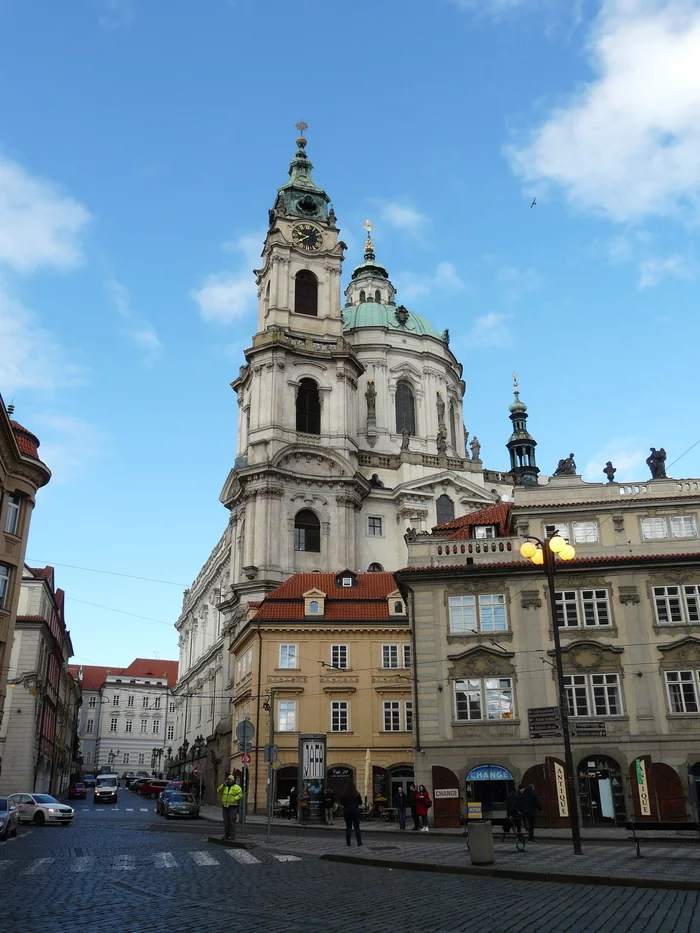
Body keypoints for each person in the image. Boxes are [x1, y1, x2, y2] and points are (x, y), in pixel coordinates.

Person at [216, 774, 243, 841]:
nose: (228, 781)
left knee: (232, 821)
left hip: (233, 807)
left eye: (230, 779)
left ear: (233, 780)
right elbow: (219, 790)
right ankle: (226, 835)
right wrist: (223, 784)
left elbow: (240, 794)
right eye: (228, 779)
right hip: (225, 807)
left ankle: (232, 835)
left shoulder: (237, 787)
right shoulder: (225, 786)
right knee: (226, 821)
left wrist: (235, 798)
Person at [339, 781, 363, 847]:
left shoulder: (344, 794)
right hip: (355, 811)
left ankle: (348, 842)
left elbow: (341, 803)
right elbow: (360, 802)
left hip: (347, 811)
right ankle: (359, 842)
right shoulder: (357, 794)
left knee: (348, 827)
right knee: (357, 827)